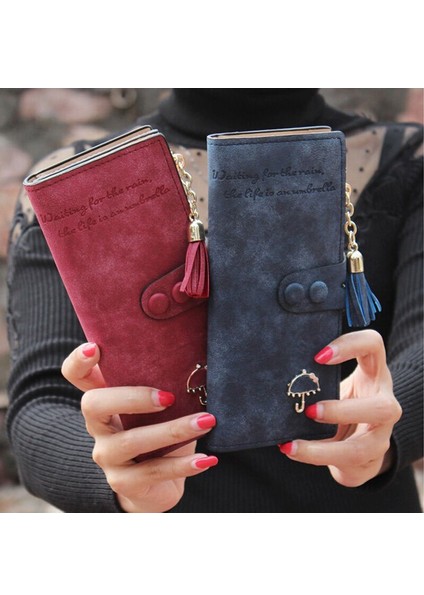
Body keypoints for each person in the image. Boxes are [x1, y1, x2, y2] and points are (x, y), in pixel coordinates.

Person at [6, 89, 423, 512]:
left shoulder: (408, 159)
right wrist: (119, 473)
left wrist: (377, 432)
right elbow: (40, 403)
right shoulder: (79, 183)